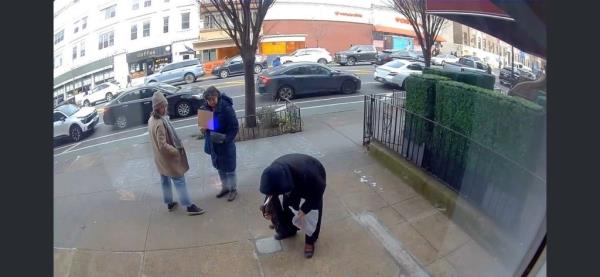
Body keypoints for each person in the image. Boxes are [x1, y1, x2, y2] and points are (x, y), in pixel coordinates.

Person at [259, 153, 327, 259]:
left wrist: (305, 209)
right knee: (288, 205)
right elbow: (271, 192)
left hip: (312, 177)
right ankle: (290, 230)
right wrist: (268, 207)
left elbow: (319, 190)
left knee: (312, 213)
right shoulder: (273, 172)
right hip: (292, 179)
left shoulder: (311, 175)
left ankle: (310, 240)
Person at [148, 91, 204, 215]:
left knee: (165, 180)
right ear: (158, 107)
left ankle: (169, 203)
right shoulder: (160, 123)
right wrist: (176, 152)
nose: (166, 108)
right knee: (179, 180)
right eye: (164, 106)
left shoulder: (151, 119)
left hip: (159, 159)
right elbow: (162, 145)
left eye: (165, 105)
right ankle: (189, 206)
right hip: (168, 159)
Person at [201, 86, 240, 201]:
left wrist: (226, 139)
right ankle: (225, 187)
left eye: (213, 99)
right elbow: (204, 128)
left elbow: (234, 126)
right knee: (220, 168)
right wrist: (203, 129)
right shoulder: (205, 109)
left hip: (225, 143)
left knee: (230, 169)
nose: (211, 102)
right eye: (209, 100)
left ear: (217, 96)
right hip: (214, 143)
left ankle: (233, 189)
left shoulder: (226, 107)